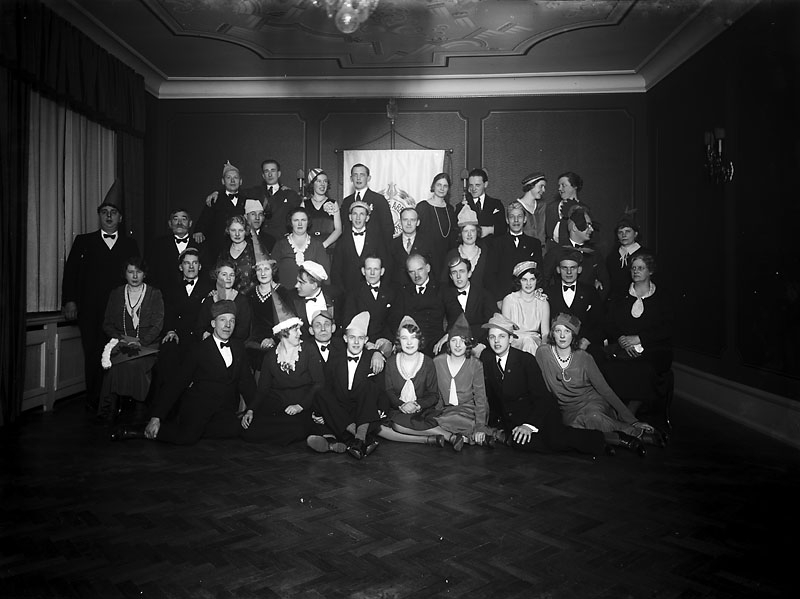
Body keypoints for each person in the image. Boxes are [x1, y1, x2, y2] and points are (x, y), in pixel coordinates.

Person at [111, 300, 257, 445]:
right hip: (199, 407)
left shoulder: (238, 348)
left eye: (232, 321)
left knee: (237, 430)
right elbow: (177, 383)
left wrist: (252, 408)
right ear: (213, 323)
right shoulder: (199, 349)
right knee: (188, 437)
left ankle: (194, 429)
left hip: (224, 409)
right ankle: (142, 430)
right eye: (223, 320)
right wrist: (156, 417)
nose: (228, 325)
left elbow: (247, 382)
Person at [535, 313, 664, 456]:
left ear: (574, 335)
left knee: (592, 417)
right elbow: (542, 388)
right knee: (575, 428)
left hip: (591, 403)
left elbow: (605, 390)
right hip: (568, 409)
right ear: (552, 333)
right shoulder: (543, 353)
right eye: (558, 330)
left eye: (567, 331)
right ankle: (614, 438)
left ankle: (636, 433)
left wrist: (633, 421)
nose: (562, 336)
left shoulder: (584, 358)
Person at [480, 313, 606, 454]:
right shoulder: (486, 358)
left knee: (555, 440)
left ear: (510, 339)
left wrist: (529, 425)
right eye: (492, 337)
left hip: (541, 412)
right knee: (524, 443)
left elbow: (543, 397)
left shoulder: (526, 360)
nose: (496, 341)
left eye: (502, 336)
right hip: (516, 419)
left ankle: (604, 439)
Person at [62, 188, 140, 412]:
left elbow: (138, 276)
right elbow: (71, 273)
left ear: (120, 218)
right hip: (91, 310)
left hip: (122, 310)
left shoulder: (130, 244)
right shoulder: (83, 241)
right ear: (99, 216)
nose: (108, 216)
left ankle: (119, 399)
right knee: (94, 353)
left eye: (113, 212)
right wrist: (70, 301)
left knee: (121, 353)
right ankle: (94, 399)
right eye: (104, 212)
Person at [603, 253, 673, 419]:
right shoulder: (620, 295)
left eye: (640, 268)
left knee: (644, 368)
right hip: (622, 346)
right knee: (612, 366)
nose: (636, 271)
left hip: (653, 348)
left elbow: (667, 328)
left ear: (650, 271)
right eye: (633, 268)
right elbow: (609, 323)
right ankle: (614, 410)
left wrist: (640, 339)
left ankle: (629, 412)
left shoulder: (662, 297)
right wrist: (621, 338)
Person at [308, 311, 384, 459]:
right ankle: (362, 439)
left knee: (369, 387)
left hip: (362, 411)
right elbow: (328, 388)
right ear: (345, 338)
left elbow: (381, 389)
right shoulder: (335, 359)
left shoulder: (373, 359)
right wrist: (322, 411)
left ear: (366, 340)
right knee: (321, 393)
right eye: (352, 338)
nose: (356, 342)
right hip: (341, 410)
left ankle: (353, 439)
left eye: (360, 338)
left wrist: (381, 409)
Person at [240, 314, 323, 445]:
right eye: (296, 330)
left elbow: (319, 383)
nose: (300, 333)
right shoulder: (270, 356)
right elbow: (263, 389)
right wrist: (251, 410)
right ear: (284, 332)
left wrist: (300, 406)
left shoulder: (308, 349)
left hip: (302, 404)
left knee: (297, 429)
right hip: (277, 404)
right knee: (249, 430)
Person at [98, 256, 164, 420]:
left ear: (144, 274)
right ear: (125, 274)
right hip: (122, 342)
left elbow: (158, 325)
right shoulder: (116, 294)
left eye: (139, 272)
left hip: (147, 344)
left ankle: (139, 410)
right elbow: (107, 324)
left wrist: (141, 342)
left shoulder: (154, 294)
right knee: (113, 365)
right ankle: (109, 409)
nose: (135, 276)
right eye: (130, 272)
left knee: (136, 364)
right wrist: (121, 339)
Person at [377, 316, 449, 448]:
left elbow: (433, 395)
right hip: (398, 409)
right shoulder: (391, 362)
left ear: (419, 340)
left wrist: (417, 405)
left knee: (399, 425)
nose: (409, 342)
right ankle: (428, 439)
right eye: (404, 338)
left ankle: (448, 436)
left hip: (422, 410)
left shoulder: (428, 362)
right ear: (399, 341)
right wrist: (401, 405)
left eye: (413, 337)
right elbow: (389, 391)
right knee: (383, 428)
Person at [432, 314, 491, 448]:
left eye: (463, 340)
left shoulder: (475, 364)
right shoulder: (438, 362)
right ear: (448, 342)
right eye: (454, 340)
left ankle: (473, 433)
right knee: (435, 421)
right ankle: (478, 436)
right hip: (448, 410)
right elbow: (437, 393)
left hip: (470, 410)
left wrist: (480, 425)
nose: (458, 345)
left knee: (454, 421)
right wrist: (436, 412)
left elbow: (480, 397)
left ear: (468, 343)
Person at [156, 247, 212, 390]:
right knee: (168, 353)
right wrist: (170, 330)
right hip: (178, 335)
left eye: (195, 263)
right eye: (187, 263)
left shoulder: (209, 288)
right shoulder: (171, 288)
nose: (191, 267)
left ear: (200, 266)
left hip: (198, 337)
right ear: (181, 267)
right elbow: (167, 313)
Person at [545, 248, 604, 364]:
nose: (569, 272)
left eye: (573, 268)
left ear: (579, 269)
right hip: (556, 344)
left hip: (584, 344)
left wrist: (586, 340)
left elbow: (600, 321)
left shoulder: (590, 291)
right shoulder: (549, 293)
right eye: (564, 268)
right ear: (558, 270)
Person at [541, 207, 609, 299]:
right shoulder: (555, 252)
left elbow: (605, 283)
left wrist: (594, 303)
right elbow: (544, 282)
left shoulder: (594, 253)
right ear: (574, 227)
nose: (592, 229)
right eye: (587, 225)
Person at [436, 254, 495, 356]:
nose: (458, 276)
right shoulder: (445, 295)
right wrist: (449, 335)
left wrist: (482, 344)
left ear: (469, 273)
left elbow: (491, 323)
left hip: (479, 340)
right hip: (454, 341)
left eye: (462, 271)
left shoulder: (484, 294)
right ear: (450, 276)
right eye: (454, 273)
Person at [341, 254, 398, 358]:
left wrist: (386, 339)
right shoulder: (353, 293)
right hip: (361, 344)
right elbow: (348, 322)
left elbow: (394, 321)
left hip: (384, 343)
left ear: (382, 271)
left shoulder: (391, 292)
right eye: (369, 269)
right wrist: (365, 342)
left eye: (376, 269)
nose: (372, 273)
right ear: (363, 271)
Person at [487, 201, 543, 302]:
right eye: (512, 217)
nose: (516, 220)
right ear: (507, 220)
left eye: (519, 216)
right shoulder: (496, 243)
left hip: (528, 299)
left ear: (525, 219)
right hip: (504, 299)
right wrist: (498, 300)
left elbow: (539, 274)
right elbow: (490, 276)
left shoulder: (534, 244)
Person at [245, 257, 292, 371]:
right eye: (259, 269)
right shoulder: (250, 294)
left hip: (278, 342)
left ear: (273, 271)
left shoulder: (283, 293)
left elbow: (289, 323)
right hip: (253, 344)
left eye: (266, 269)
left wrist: (273, 340)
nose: (263, 273)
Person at [193, 161, 246, 262]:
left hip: (240, 249)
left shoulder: (246, 199)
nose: (232, 180)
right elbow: (204, 220)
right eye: (228, 178)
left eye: (235, 177)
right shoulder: (214, 199)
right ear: (223, 181)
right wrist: (199, 231)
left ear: (240, 181)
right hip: (217, 249)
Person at [396, 253, 446, 356]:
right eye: (412, 272)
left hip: (436, 343)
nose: (416, 275)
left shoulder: (441, 289)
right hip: (411, 343)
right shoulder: (403, 292)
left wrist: (448, 336)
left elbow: (456, 314)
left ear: (428, 268)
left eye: (420, 269)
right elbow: (394, 318)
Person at [331, 200, 387, 291]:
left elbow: (384, 266)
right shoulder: (342, 241)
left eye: (362, 214)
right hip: (347, 292)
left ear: (367, 218)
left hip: (371, 291)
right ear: (350, 217)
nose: (358, 218)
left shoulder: (377, 240)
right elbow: (336, 271)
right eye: (355, 214)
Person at [271, 206, 330, 290]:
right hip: (284, 294)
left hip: (309, 294)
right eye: (296, 220)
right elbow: (272, 271)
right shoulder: (280, 245)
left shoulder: (317, 245)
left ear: (308, 222)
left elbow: (326, 276)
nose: (300, 224)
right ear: (290, 223)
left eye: (303, 220)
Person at [196, 259, 253, 343]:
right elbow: (200, 327)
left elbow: (243, 331)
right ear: (217, 276)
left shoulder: (242, 301)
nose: (228, 278)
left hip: (234, 345)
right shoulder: (209, 300)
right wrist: (207, 335)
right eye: (224, 274)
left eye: (232, 275)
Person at [415, 173, 459, 278]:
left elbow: (453, 237)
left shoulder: (450, 209)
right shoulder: (423, 207)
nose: (442, 188)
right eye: (439, 185)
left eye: (445, 186)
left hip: (445, 258)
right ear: (433, 186)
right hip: (426, 258)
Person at [501, 261, 550, 355]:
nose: (529, 283)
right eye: (524, 280)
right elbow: (506, 330)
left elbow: (545, 333)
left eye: (532, 279)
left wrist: (544, 350)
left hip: (534, 342)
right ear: (519, 281)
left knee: (529, 342)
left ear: (536, 280)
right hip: (514, 341)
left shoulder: (543, 302)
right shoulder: (509, 300)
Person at [145, 207, 200, 291]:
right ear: (170, 224)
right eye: (175, 219)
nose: (179, 223)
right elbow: (151, 272)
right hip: (165, 294)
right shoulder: (158, 245)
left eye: (184, 219)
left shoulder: (200, 244)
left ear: (190, 223)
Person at [341, 163, 394, 241]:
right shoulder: (346, 201)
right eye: (355, 175)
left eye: (362, 175)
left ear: (368, 178)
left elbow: (388, 228)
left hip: (374, 246)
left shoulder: (379, 200)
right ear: (351, 178)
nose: (358, 178)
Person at [606, 212, 652, 301]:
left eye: (627, 231)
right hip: (617, 301)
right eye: (620, 232)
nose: (624, 235)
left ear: (635, 233)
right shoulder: (612, 257)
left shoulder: (646, 254)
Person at [386, 206, 435, 286]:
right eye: (405, 220)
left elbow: (435, 270)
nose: (409, 223)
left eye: (412, 220)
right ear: (400, 222)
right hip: (398, 291)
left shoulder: (428, 243)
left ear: (418, 222)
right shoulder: (392, 244)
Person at [444, 203, 489, 290]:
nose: (469, 234)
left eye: (472, 230)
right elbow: (444, 282)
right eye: (465, 231)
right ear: (460, 233)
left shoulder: (485, 254)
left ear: (477, 232)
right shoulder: (452, 254)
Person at [302, 168, 342, 252]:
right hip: (309, 249)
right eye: (319, 181)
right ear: (312, 184)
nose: (322, 184)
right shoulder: (304, 204)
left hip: (329, 249)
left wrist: (323, 245)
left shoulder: (333, 203)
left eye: (325, 181)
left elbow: (338, 230)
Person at [545, 171, 590, 244]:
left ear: (575, 186)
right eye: (559, 186)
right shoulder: (551, 207)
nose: (559, 189)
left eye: (563, 185)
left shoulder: (584, 209)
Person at [290, 260, 338, 329]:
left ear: (314, 285)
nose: (296, 285)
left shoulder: (335, 296)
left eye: (301, 282)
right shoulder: (291, 299)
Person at [218, 214, 256, 295]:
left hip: (251, 297)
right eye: (233, 230)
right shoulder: (224, 252)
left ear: (246, 231)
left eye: (241, 230)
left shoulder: (254, 250)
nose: (237, 234)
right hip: (228, 298)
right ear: (228, 231)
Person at [464, 168, 505, 239]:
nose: (474, 189)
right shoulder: (462, 205)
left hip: (491, 245)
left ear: (485, 184)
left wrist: (490, 230)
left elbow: (503, 228)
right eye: (471, 185)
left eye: (477, 185)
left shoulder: (496, 204)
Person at [515, 172, 548, 247]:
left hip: (541, 249)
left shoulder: (542, 206)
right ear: (531, 186)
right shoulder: (516, 207)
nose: (543, 190)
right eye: (541, 186)